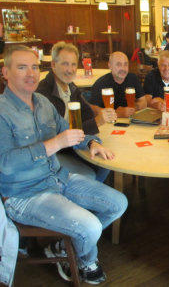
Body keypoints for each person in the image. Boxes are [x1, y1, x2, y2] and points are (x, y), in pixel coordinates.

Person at [0, 45, 128, 284]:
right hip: (24, 195)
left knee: (118, 203)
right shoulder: (2, 111)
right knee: (90, 227)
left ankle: (61, 247)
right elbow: (5, 164)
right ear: (5, 72)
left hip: (58, 178)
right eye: (21, 67)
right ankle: (86, 260)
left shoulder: (42, 103)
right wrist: (53, 144)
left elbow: (68, 131)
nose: (30, 74)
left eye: (34, 67)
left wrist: (91, 144)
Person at [37, 41, 111, 182]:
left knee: (105, 161)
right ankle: (82, 195)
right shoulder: (43, 94)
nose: (70, 69)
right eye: (65, 64)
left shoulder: (71, 88)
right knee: (92, 172)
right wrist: (96, 122)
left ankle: (89, 195)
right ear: (53, 65)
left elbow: (87, 114)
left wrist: (96, 121)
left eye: (73, 64)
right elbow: (59, 134)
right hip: (56, 152)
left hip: (74, 144)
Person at [90, 51, 146, 118]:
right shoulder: (100, 84)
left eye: (125, 64)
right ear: (110, 66)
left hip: (130, 122)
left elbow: (144, 102)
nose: (123, 68)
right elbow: (92, 110)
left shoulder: (133, 78)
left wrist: (131, 110)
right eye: (118, 64)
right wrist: (117, 113)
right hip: (109, 124)